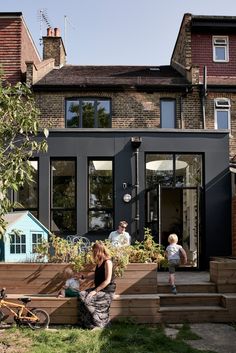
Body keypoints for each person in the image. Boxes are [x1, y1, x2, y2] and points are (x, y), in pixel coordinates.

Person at [78, 241, 116, 329]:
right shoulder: (99, 262)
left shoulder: (108, 262)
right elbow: (97, 276)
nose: (94, 253)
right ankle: (87, 323)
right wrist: (83, 277)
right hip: (99, 289)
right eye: (93, 251)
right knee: (81, 294)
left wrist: (94, 291)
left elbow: (107, 281)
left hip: (107, 291)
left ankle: (100, 323)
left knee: (88, 299)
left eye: (95, 251)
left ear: (101, 250)